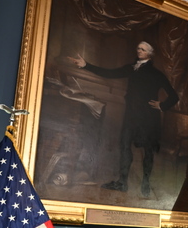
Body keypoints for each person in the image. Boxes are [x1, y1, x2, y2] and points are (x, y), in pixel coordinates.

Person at [68, 41, 179, 196]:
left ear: (150, 53)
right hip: (131, 116)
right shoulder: (131, 68)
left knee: (148, 151)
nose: (139, 50)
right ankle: (122, 183)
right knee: (124, 146)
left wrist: (162, 105)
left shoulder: (157, 74)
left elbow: (174, 96)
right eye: (138, 48)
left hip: (148, 118)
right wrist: (86, 65)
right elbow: (110, 73)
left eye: (143, 49)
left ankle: (146, 184)